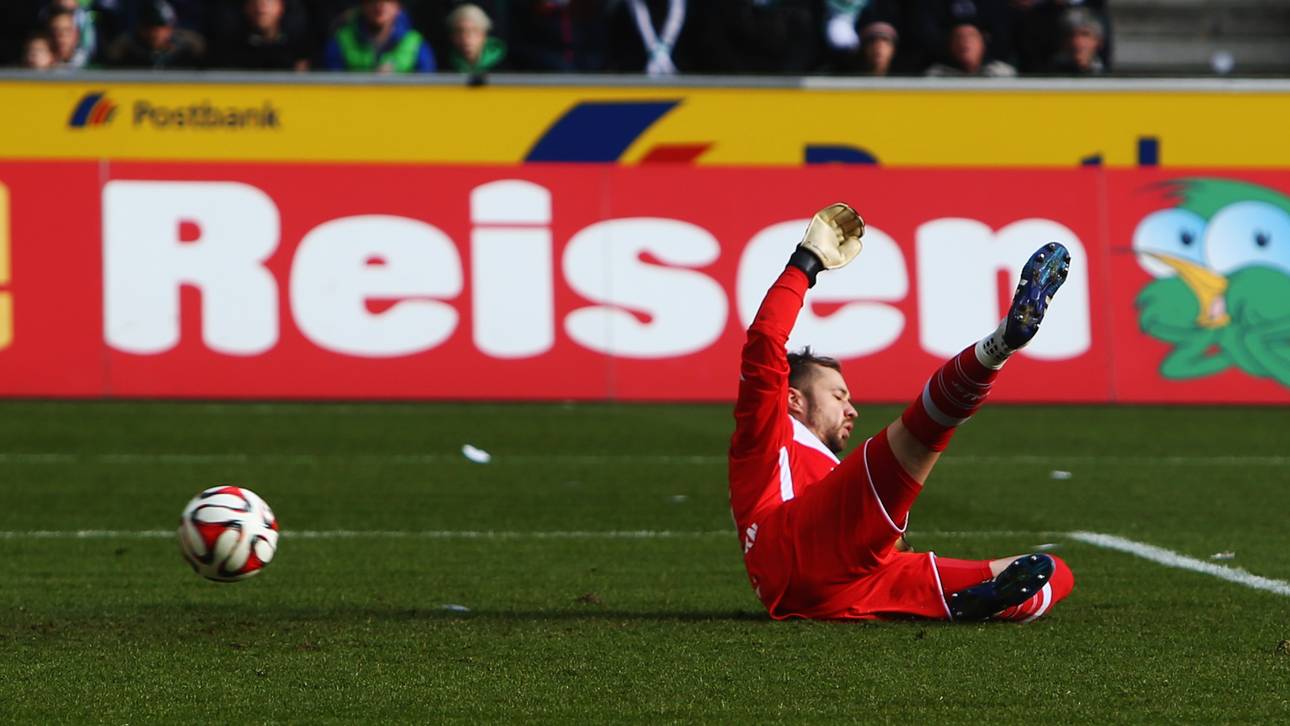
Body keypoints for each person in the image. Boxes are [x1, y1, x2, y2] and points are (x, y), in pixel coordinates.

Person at [730, 203, 1075, 622]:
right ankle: (998, 347)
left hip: (832, 590)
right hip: (793, 545)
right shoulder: (768, 432)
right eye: (838, 395)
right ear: (793, 400)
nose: (851, 409)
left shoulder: (819, 465)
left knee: (1055, 573)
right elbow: (766, 338)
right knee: (918, 436)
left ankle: (968, 604)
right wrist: (806, 263)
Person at [323, 0, 435, 72]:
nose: (380, 6)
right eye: (373, 1)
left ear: (398, 7)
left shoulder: (416, 43)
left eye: (387, 1)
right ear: (363, 5)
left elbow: (429, 88)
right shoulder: (341, 41)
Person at [209, 0, 311, 71]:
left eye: (268, 1)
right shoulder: (230, 47)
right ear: (246, 8)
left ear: (280, 7)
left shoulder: (298, 48)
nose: (261, 7)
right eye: (255, 1)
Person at [102, 0, 204, 69]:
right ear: (140, 29)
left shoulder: (188, 48)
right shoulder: (125, 49)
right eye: (149, 28)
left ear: (170, 29)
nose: (155, 33)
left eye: (161, 28)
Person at [925, 22, 1016, 76]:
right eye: (958, 37)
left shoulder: (1002, 73)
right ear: (951, 46)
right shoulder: (936, 74)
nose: (964, 41)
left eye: (971, 36)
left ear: (982, 44)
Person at [444, 3, 506, 74]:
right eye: (459, 31)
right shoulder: (441, 65)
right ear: (452, 36)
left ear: (484, 35)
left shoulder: (508, 64)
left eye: (474, 31)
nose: (465, 39)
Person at [1044, 7, 1105, 75]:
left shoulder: (1110, 75)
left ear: (1099, 41)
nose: (1077, 42)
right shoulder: (1048, 74)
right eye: (1070, 35)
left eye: (1085, 34)